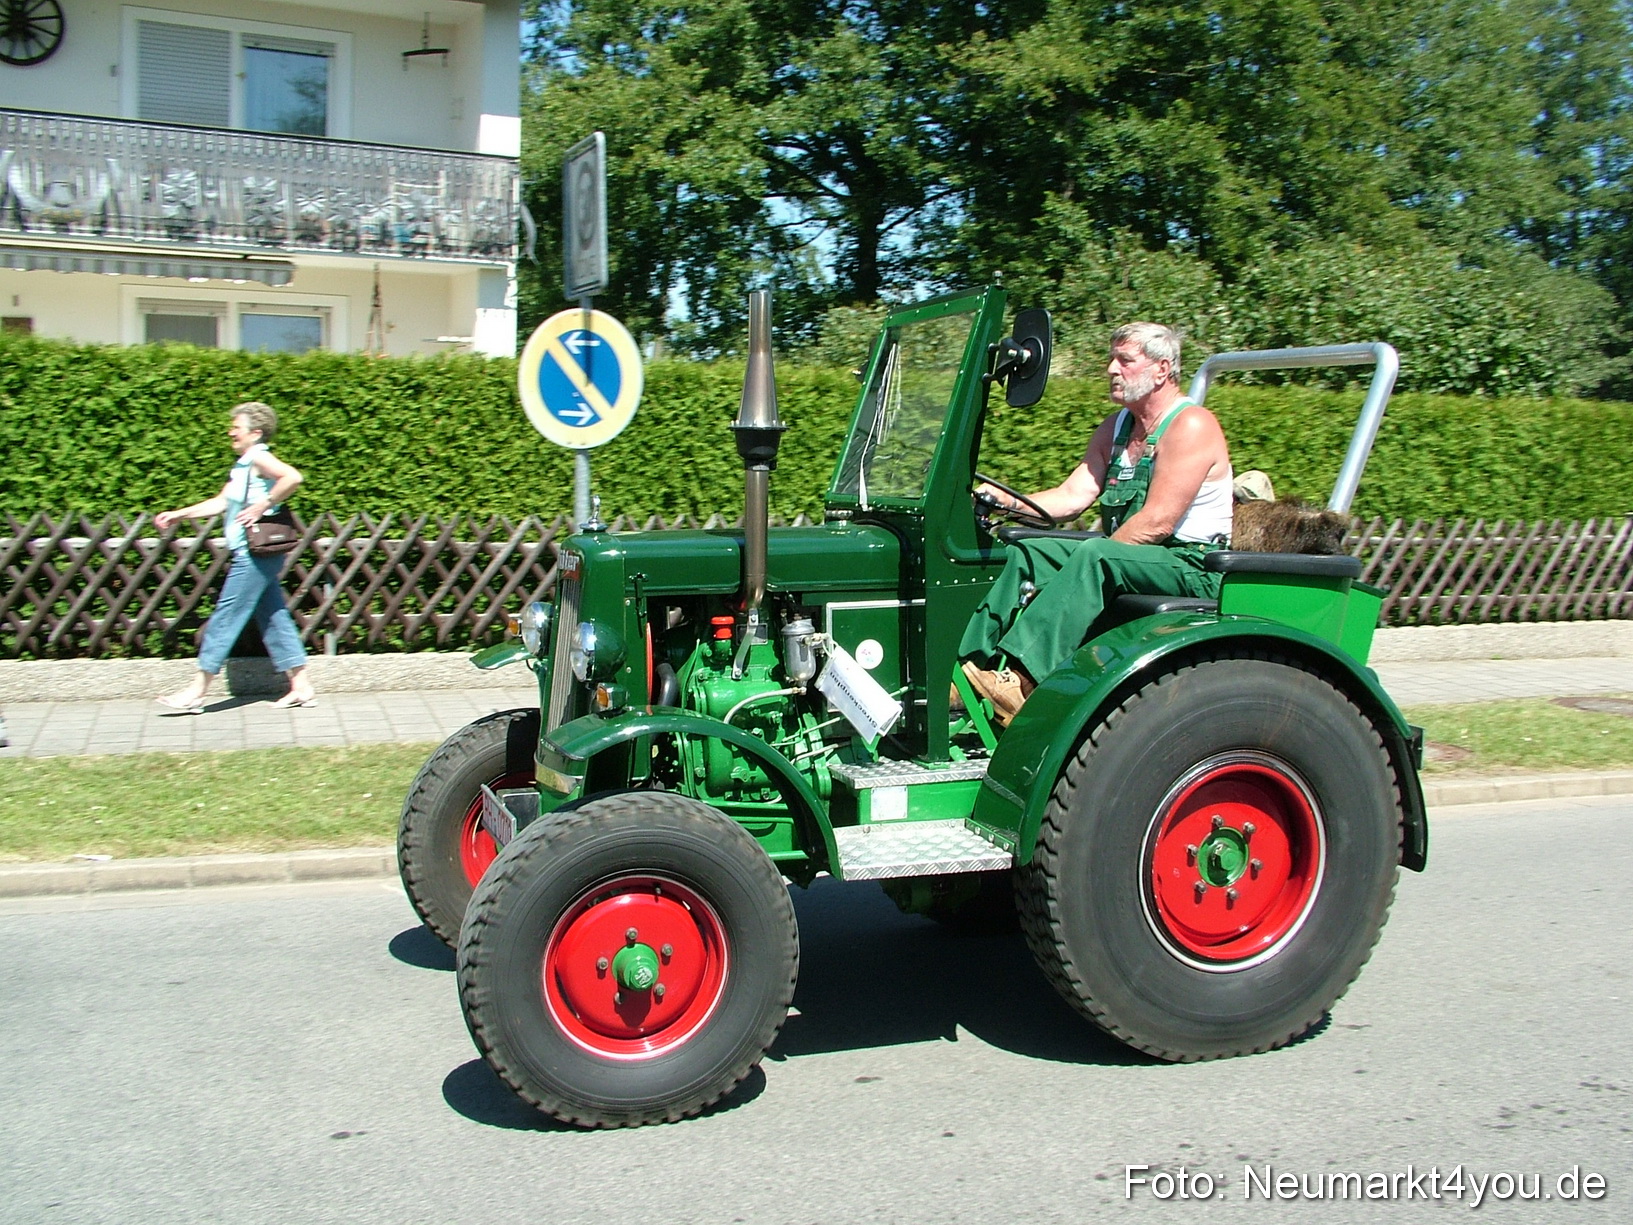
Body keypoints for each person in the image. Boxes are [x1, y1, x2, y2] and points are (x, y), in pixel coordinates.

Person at [960, 322, 1233, 723]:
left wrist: (1075, 573)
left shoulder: (1191, 425)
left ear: (1161, 370)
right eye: (1112, 359)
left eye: (1125, 360)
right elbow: (1072, 497)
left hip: (1193, 567)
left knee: (1095, 555)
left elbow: (1157, 522)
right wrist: (1003, 501)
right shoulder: (1117, 427)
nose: (1111, 369)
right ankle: (969, 669)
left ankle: (1021, 685)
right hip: (1135, 557)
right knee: (1025, 550)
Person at [154, 402, 316, 712]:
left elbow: (292, 478)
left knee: (226, 617)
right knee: (273, 617)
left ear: (255, 433)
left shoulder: (259, 458)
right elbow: (221, 502)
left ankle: (197, 690)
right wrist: (179, 515)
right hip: (254, 554)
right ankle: (302, 687)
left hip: (254, 555)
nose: (231, 431)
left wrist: (262, 504)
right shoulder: (244, 465)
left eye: (236, 427)